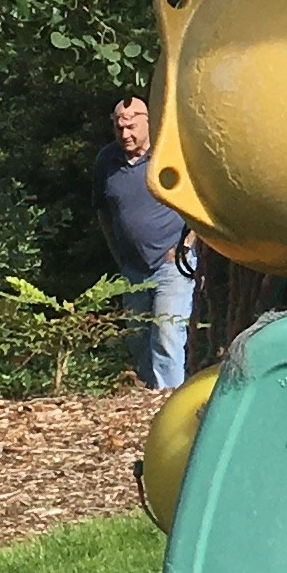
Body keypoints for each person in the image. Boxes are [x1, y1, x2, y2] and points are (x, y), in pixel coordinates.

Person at [95, 94, 193, 390]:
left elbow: (200, 201)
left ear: (148, 122)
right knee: (137, 338)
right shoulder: (107, 161)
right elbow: (103, 211)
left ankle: (168, 401)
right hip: (133, 269)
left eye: (131, 127)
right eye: (119, 128)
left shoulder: (169, 153)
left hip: (172, 263)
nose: (125, 134)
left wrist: (187, 244)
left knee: (167, 334)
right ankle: (150, 399)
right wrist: (119, 256)